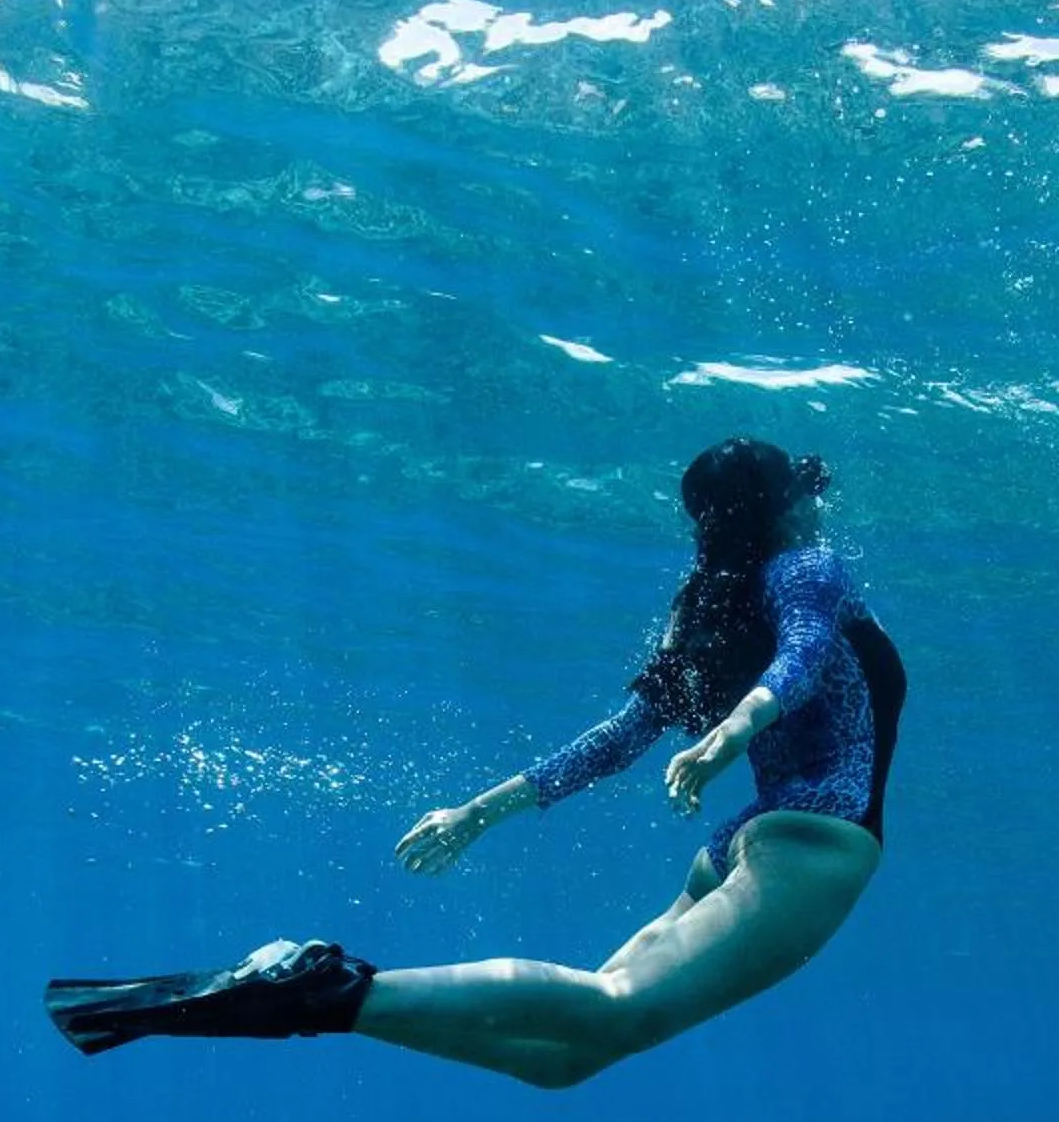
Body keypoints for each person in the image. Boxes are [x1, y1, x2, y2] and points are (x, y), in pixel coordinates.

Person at [46, 437, 904, 1087]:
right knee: (615, 1012)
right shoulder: (807, 568)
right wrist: (735, 732)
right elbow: (802, 650)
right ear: (784, 504)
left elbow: (615, 740)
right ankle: (327, 986)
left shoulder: (712, 609)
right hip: (815, 839)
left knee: (564, 1059)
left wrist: (474, 813)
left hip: (738, 848)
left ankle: (327, 1003)